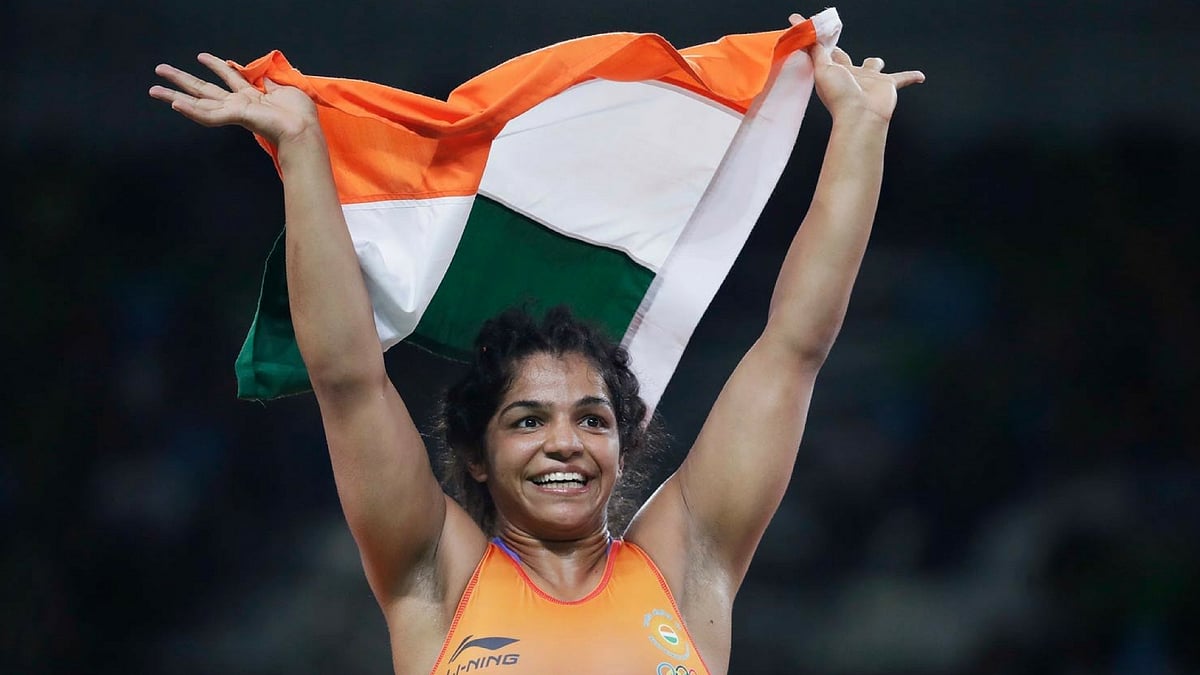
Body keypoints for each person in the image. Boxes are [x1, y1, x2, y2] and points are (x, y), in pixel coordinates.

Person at [149, 12, 923, 675]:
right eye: (528, 419)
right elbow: (349, 377)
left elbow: (793, 347)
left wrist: (860, 130)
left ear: (626, 440)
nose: (566, 443)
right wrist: (303, 150)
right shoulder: (434, 574)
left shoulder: (688, 568)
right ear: (475, 453)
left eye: (593, 418)